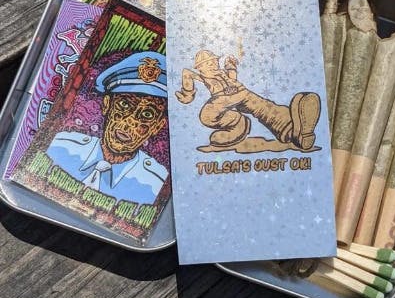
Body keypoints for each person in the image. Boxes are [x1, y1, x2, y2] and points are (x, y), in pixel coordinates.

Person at [46, 51, 168, 205]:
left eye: (147, 114)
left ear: (157, 125)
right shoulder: (61, 146)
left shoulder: (155, 184)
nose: (130, 122)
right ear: (107, 104)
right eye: (124, 104)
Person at [176, 50, 321, 150]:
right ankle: (238, 125)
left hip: (240, 93)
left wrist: (230, 66)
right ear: (200, 67)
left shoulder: (221, 72)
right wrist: (188, 93)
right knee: (207, 116)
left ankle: (291, 129)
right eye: (208, 63)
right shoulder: (204, 76)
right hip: (221, 99)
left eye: (214, 62)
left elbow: (232, 79)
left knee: (262, 107)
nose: (213, 64)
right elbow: (186, 72)